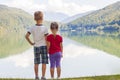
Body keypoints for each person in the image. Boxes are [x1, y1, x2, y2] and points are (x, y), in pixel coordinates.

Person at [25, 11, 48, 80]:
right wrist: (48, 47)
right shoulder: (45, 28)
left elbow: (26, 36)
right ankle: (43, 77)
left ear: (35, 18)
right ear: (42, 18)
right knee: (44, 62)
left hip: (36, 47)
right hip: (44, 46)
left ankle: (36, 76)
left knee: (36, 62)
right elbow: (47, 39)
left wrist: (31, 43)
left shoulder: (32, 28)